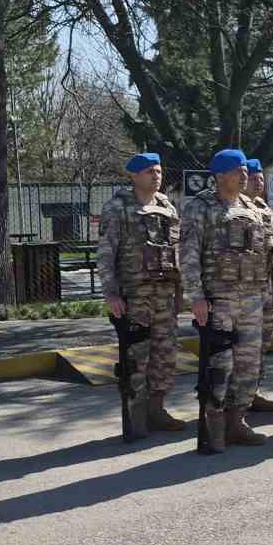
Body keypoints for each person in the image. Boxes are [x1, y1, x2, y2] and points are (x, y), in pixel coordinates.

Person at [177, 148, 271, 450]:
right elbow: (188, 254)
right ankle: (214, 426)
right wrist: (196, 297)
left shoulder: (251, 207)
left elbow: (261, 254)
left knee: (248, 365)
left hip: (252, 299)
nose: (244, 176)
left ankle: (237, 422)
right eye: (236, 171)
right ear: (219, 176)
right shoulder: (201, 206)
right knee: (220, 367)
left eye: (245, 170)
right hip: (219, 300)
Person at [94, 152, 185, 437]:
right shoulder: (117, 207)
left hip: (164, 296)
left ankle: (157, 410)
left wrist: (180, 291)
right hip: (134, 297)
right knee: (136, 359)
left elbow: (176, 251)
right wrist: (111, 294)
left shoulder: (167, 206)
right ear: (133, 176)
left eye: (158, 171)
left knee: (165, 357)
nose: (156, 176)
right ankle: (137, 416)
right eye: (149, 172)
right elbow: (106, 253)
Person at [244, 158, 273, 414]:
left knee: (262, 342)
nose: (258, 182)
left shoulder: (265, 210)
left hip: (266, 291)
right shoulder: (234, 209)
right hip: (243, 292)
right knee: (242, 347)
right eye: (253, 177)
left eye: (261, 178)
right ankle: (236, 397)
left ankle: (253, 391)